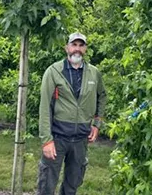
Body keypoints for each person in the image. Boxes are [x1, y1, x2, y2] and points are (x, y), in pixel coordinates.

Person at [37, 32, 106, 195]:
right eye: (74, 45)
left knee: (72, 185)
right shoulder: (54, 71)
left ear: (85, 49)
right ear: (66, 47)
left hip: (80, 140)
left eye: (81, 45)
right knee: (46, 185)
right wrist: (46, 140)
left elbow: (102, 96)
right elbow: (45, 106)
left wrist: (97, 123)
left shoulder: (94, 73)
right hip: (57, 138)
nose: (77, 49)